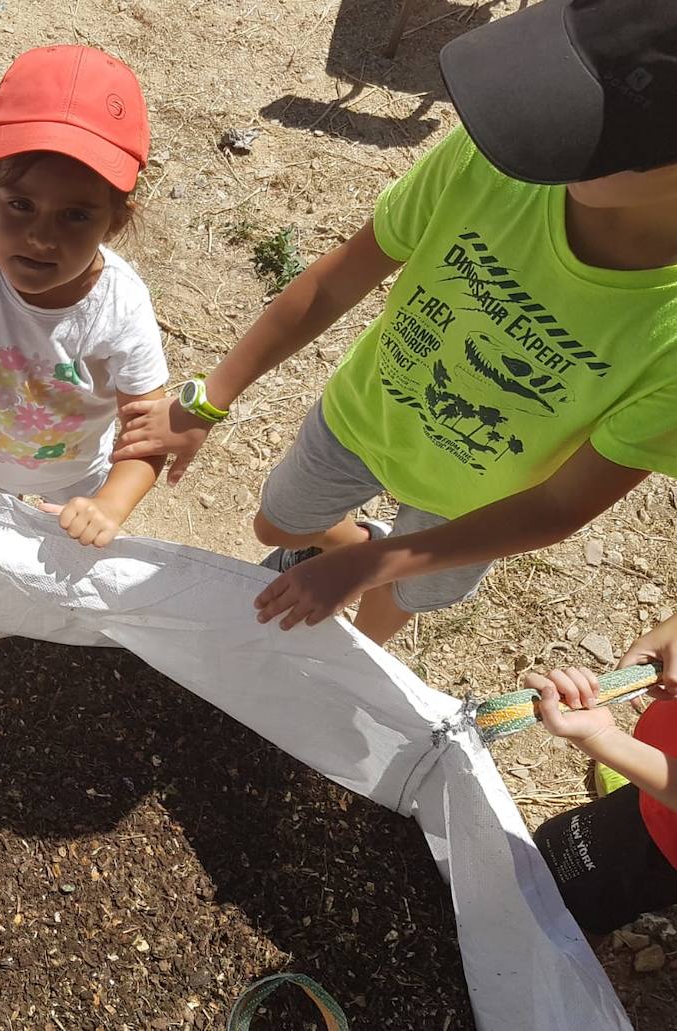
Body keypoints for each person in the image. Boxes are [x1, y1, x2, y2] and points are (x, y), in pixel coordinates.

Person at [111, 0, 677, 640]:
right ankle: (355, 548)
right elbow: (335, 280)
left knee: (392, 603)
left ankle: (351, 628)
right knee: (277, 525)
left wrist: (372, 568)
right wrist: (209, 400)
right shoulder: (492, 161)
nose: (535, 123)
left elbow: (559, 505)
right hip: (368, 412)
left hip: (476, 505)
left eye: (578, 120)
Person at [0, 45, 168, 548]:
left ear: (116, 220)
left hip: (74, 482)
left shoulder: (121, 307)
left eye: (75, 215)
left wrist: (108, 505)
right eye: (20, 204)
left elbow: (147, 432)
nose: (41, 239)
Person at [530, 616, 677, 936]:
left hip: (668, 842)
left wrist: (604, 739)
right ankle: (640, 774)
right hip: (656, 780)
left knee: (575, 896)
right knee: (556, 845)